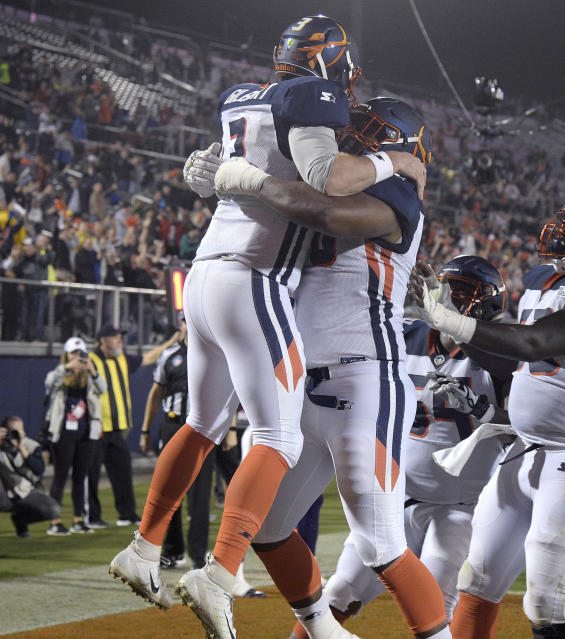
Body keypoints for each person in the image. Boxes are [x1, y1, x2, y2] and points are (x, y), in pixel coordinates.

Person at [111, 17, 424, 639]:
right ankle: (218, 571)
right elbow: (325, 181)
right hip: (253, 281)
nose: (347, 118)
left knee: (204, 424)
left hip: (202, 276)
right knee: (275, 440)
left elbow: (231, 174)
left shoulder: (244, 98)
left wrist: (231, 175)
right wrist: (393, 159)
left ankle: (144, 548)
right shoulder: (310, 97)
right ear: (331, 67)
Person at [218, 98, 450, 639]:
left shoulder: (395, 192)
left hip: (364, 376)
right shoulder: (319, 177)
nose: (350, 138)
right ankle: (322, 629)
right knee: (270, 526)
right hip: (303, 381)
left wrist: (247, 177)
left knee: (381, 544)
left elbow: (323, 214)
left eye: (367, 133)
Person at [409, 190, 565, 639]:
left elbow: (535, 343)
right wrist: (448, 319)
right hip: (524, 450)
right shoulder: (544, 280)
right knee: (475, 582)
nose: (563, 232)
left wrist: (455, 322)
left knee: (548, 601)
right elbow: (515, 362)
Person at [289, 256, 509, 639]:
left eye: (457, 293)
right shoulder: (402, 335)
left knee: (435, 612)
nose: (446, 298)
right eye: (446, 289)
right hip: (394, 500)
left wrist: (482, 409)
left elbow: (528, 428)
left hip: (457, 509)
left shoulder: (502, 358)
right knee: (337, 594)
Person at [86, 323, 181, 528]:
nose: (120, 339)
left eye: (120, 336)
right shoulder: (91, 360)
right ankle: (92, 517)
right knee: (91, 474)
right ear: (103, 341)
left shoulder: (122, 359)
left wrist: (172, 343)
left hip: (118, 429)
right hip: (97, 429)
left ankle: (127, 513)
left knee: (123, 472)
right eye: (115, 337)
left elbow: (148, 358)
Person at [139, 311, 212, 569]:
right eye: (183, 321)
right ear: (180, 326)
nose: (187, 325)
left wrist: (230, 429)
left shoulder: (214, 352)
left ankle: (198, 554)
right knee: (169, 491)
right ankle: (171, 550)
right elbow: (155, 393)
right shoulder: (170, 356)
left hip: (203, 430)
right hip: (172, 425)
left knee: (200, 496)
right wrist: (146, 430)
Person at [44, 336, 106, 535]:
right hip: (64, 433)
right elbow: (49, 383)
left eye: (80, 354)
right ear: (67, 355)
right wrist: (68, 367)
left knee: (80, 477)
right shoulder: (61, 374)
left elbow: (103, 388)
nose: (77, 357)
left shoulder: (89, 377)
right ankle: (55, 521)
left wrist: (92, 369)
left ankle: (78, 520)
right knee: (60, 477)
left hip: (86, 433)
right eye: (73, 353)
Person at [0, 416, 60, 542]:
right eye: (12, 431)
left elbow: (39, 470)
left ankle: (21, 520)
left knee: (54, 509)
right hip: (4, 497)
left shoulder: (31, 446)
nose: (15, 435)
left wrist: (22, 449)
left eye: (18, 431)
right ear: (4, 431)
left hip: (26, 493)